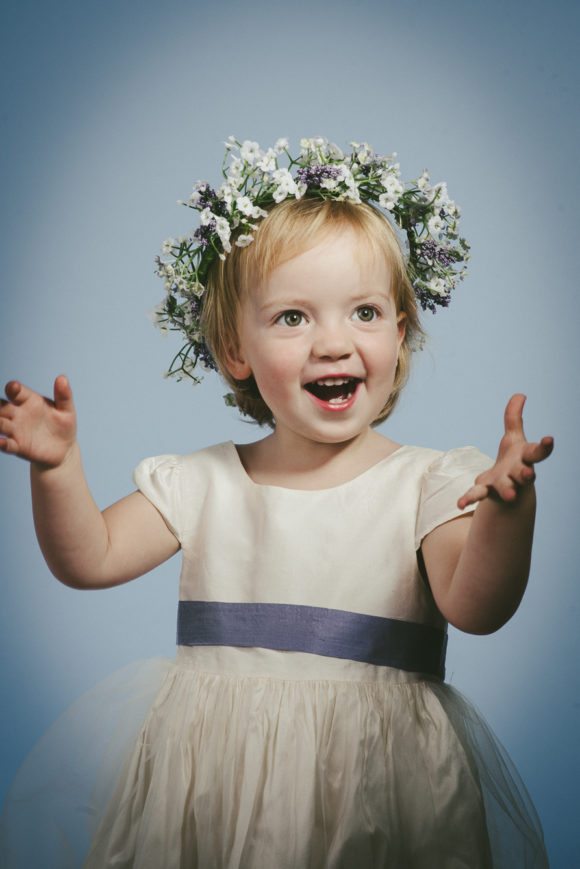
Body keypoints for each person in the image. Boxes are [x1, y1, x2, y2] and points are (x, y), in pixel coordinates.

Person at [0, 137, 552, 867]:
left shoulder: (429, 483)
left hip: (377, 791)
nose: (333, 342)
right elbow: (88, 558)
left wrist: (508, 513)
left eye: (364, 311)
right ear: (236, 348)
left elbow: (477, 606)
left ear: (400, 331)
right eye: (293, 317)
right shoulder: (204, 483)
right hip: (212, 789)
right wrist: (58, 467)